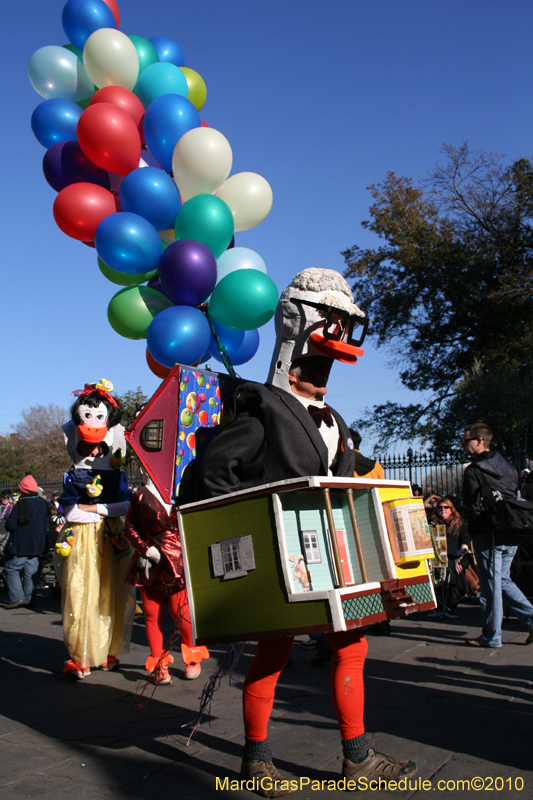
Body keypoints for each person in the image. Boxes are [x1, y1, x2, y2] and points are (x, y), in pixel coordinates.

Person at [199, 268, 417, 794]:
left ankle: (357, 758)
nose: (322, 374)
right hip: (280, 557)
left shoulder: (335, 417)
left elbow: (339, 466)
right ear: (291, 355)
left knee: (353, 647)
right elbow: (213, 476)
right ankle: (256, 761)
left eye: (326, 367)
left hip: (332, 554)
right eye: (313, 364)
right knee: (273, 654)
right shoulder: (260, 409)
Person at [57, 379, 135, 679]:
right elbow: (71, 510)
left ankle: (107, 650)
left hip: (111, 535)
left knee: (111, 593)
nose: (92, 422)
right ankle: (82, 655)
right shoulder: (73, 474)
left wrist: (94, 509)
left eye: (98, 415)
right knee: (80, 593)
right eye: (87, 415)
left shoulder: (116, 472)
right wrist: (94, 511)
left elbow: (124, 506)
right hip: (84, 539)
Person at [123, 472, 209, 684]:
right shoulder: (140, 494)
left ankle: (192, 657)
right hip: (150, 561)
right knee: (152, 615)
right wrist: (146, 550)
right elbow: (129, 528)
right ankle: (159, 664)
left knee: (180, 611)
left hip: (177, 558)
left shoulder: (183, 488)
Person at [462, 422, 533, 648]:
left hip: (487, 532)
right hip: (511, 530)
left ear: (479, 440)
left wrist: (473, 530)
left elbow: (472, 508)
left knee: (492, 585)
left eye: (467, 441)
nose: (464, 445)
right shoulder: (509, 467)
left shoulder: (473, 470)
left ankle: (492, 635)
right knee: (501, 580)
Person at [3, 475, 49, 609]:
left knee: (12, 568)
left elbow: (12, 524)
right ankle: (30, 598)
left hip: (22, 542)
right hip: (37, 542)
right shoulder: (42, 502)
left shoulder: (22, 503)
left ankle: (17, 597)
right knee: (31, 570)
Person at [432, 497, 477, 614]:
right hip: (436, 559)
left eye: (446, 507)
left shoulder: (459, 523)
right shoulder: (432, 524)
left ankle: (450, 604)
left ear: (451, 509)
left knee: (455, 572)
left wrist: (459, 558)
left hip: (455, 557)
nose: (443, 510)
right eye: (440, 507)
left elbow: (465, 541)